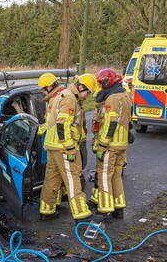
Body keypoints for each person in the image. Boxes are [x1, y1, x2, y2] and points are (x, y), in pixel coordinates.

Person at [37, 72, 99, 221]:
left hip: (53, 145)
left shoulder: (62, 95)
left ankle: (47, 210)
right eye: (88, 92)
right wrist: (70, 148)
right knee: (73, 178)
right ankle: (81, 215)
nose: (87, 96)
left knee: (52, 179)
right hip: (63, 146)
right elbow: (62, 125)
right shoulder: (70, 98)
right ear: (81, 86)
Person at [91, 68, 132, 218]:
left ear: (108, 82)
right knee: (116, 175)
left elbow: (111, 124)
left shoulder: (112, 98)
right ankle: (118, 206)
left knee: (104, 175)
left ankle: (106, 208)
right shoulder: (125, 94)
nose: (101, 87)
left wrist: (102, 145)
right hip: (121, 144)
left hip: (111, 145)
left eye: (102, 83)